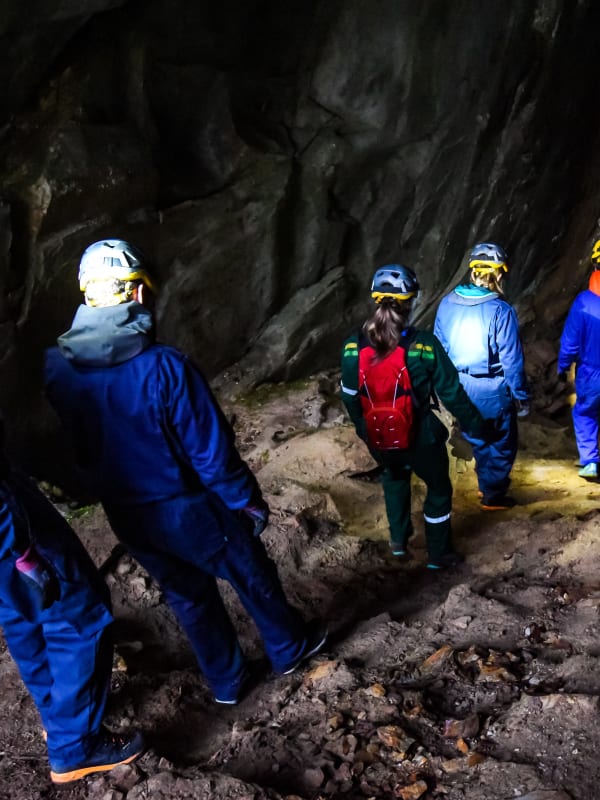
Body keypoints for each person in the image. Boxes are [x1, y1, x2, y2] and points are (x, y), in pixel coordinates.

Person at [44, 239, 327, 707]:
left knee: (186, 593)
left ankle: (227, 681)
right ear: (136, 295)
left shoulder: (57, 369)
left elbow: (79, 446)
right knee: (249, 569)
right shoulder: (165, 367)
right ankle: (288, 646)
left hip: (127, 513)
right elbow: (210, 451)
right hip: (184, 505)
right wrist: (245, 501)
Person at [0, 426, 144, 784]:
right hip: (8, 528)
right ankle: (75, 746)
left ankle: (58, 715)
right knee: (80, 615)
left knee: (22, 614)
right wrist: (21, 551)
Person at [340, 264, 491, 570]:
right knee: (438, 489)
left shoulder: (353, 347)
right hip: (420, 436)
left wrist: (365, 430)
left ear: (375, 300)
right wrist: (477, 428)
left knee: (394, 477)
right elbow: (452, 394)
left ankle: (398, 542)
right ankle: (438, 555)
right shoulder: (423, 346)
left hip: (379, 437)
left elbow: (349, 396)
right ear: (411, 302)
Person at [434, 242, 530, 510]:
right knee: (501, 442)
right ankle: (493, 495)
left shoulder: (447, 303)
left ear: (472, 271)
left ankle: (485, 484)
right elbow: (511, 360)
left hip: (459, 387)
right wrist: (521, 396)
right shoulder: (501, 311)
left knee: (477, 436)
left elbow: (439, 348)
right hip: (492, 389)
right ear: (499, 274)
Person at [557, 238, 600, 480]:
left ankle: (591, 461)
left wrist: (563, 367)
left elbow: (570, 342)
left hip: (591, 373)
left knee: (585, 412)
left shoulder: (584, 302)